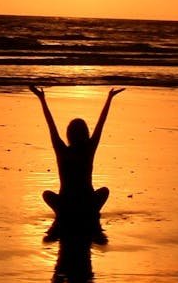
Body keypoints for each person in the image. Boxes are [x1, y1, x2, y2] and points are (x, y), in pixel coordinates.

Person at [30, 85, 124, 234]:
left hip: (66, 204)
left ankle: (67, 215)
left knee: (47, 194)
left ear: (69, 134)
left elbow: (51, 125)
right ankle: (87, 215)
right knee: (104, 191)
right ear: (85, 133)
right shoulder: (88, 149)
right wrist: (109, 99)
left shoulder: (62, 150)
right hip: (87, 204)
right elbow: (101, 124)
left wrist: (42, 99)